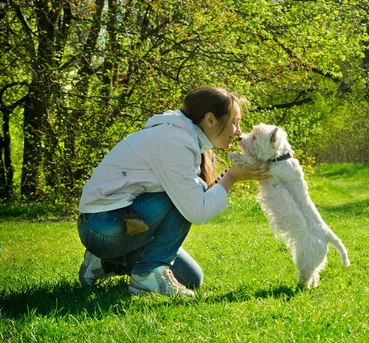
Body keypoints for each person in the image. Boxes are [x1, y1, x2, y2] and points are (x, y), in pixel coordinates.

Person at [77, 86, 269, 297]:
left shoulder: (184, 137)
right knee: (188, 195)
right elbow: (196, 210)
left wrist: (230, 176)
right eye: (234, 122)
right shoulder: (175, 141)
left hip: (109, 226)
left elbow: (197, 197)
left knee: (189, 277)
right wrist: (232, 177)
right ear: (210, 119)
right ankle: (147, 274)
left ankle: (105, 262)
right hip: (103, 227)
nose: (239, 131)